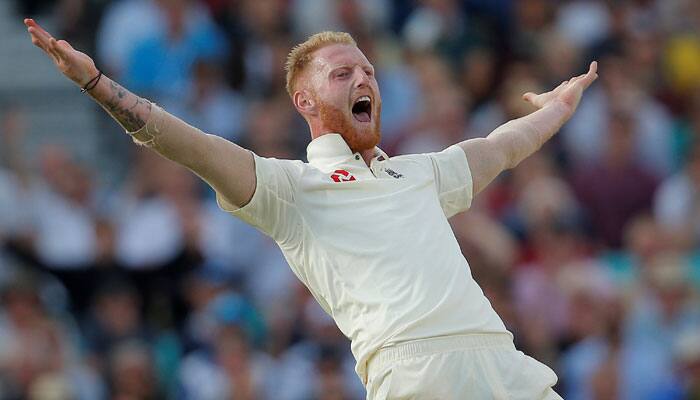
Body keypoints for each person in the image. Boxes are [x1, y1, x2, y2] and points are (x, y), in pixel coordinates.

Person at [24, 19, 597, 399]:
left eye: (368, 70)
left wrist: (558, 109)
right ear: (305, 101)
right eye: (342, 73)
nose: (363, 77)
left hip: (502, 358)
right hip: (418, 372)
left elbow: (498, 147)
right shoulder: (292, 188)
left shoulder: (417, 172)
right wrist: (97, 83)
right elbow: (187, 144)